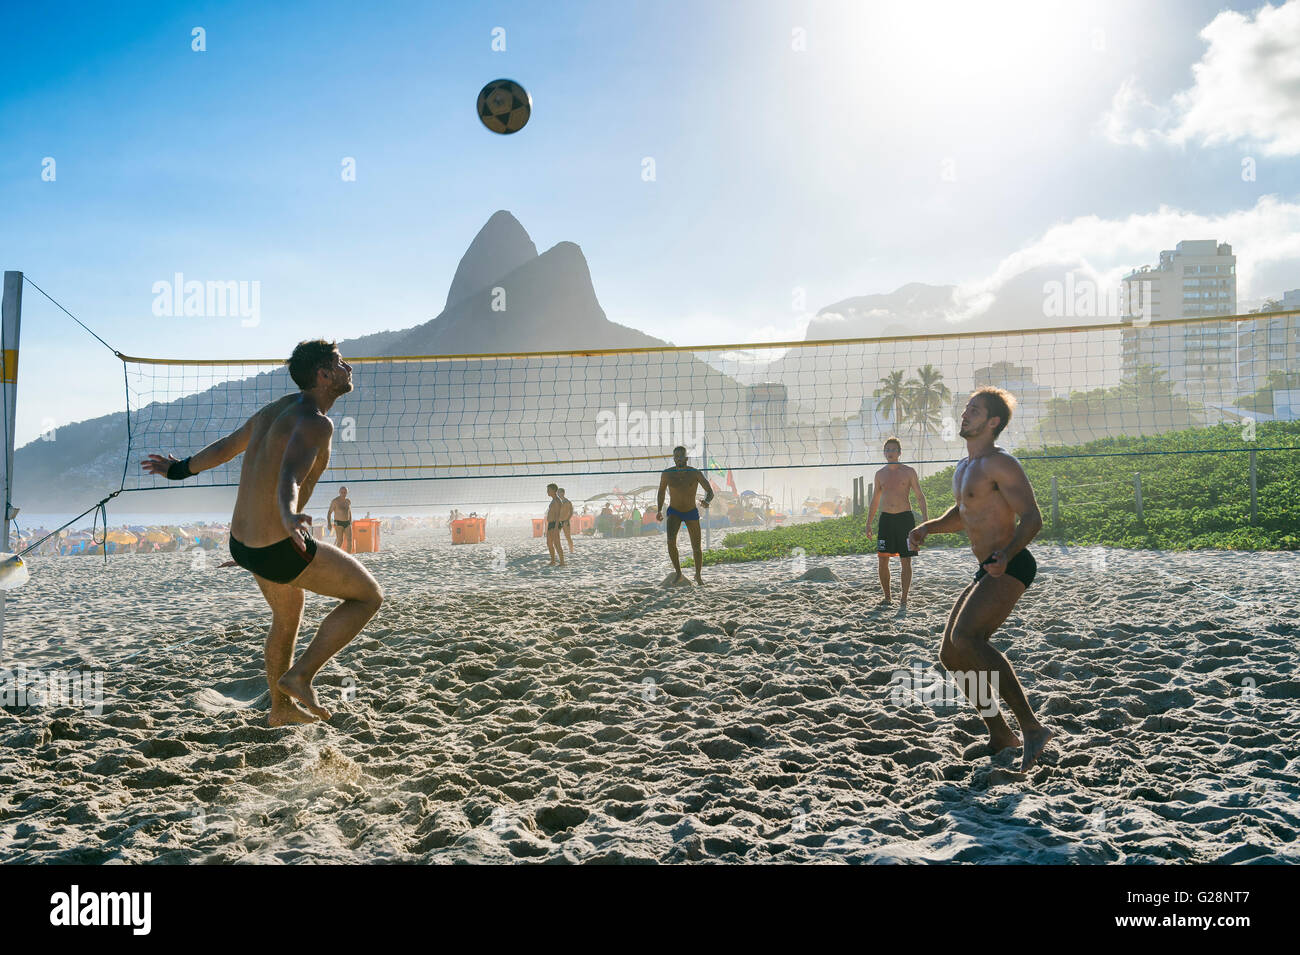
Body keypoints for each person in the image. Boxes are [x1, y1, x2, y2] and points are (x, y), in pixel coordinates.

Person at [141, 339, 383, 726]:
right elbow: (289, 474)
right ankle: (300, 676)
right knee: (369, 597)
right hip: (277, 544)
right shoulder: (317, 422)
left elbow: (226, 447)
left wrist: (179, 469)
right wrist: (288, 516)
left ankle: (280, 708)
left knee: (287, 618)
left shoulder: (277, 409)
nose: (348, 368)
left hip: (243, 544)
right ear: (323, 375)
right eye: (340, 363)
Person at [907, 387, 1055, 771]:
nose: (965, 414)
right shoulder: (965, 467)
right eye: (966, 408)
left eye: (975, 410)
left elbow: (1033, 518)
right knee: (951, 653)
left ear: (993, 422)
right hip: (988, 565)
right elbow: (963, 513)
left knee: (967, 639)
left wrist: (1007, 555)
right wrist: (928, 527)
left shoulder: (1000, 464)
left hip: (1012, 562)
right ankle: (999, 734)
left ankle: (1031, 728)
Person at [866, 437, 928, 608]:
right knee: (882, 559)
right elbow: (874, 501)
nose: (890, 453)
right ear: (884, 453)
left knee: (906, 560)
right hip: (886, 520)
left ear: (899, 453)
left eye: (893, 450)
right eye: (887, 450)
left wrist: (926, 520)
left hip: (904, 519)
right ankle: (887, 597)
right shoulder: (880, 474)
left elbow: (920, 496)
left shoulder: (909, 472)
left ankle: (904, 598)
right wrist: (868, 523)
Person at [655, 446, 714, 584]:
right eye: (676, 457)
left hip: (690, 511)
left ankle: (698, 575)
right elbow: (661, 492)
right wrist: (659, 510)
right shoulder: (667, 474)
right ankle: (678, 572)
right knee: (670, 541)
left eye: (681, 456)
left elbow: (710, 491)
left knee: (696, 547)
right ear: (674, 458)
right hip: (674, 511)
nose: (679, 459)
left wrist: (706, 501)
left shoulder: (695, 473)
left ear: (686, 458)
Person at [544, 483, 565, 566]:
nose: (547, 492)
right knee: (549, 543)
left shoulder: (556, 501)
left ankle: (562, 562)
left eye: (548, 490)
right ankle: (553, 561)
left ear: (553, 490)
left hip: (555, 524)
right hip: (551, 524)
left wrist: (556, 527)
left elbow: (558, 515)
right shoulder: (553, 500)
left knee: (557, 543)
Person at [327, 486, 353, 553]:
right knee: (340, 541)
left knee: (350, 540)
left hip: (347, 522)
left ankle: (348, 556)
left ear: (347, 493)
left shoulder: (348, 501)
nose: (343, 494)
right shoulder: (335, 501)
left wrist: (350, 521)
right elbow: (329, 513)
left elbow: (349, 511)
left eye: (345, 492)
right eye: (342, 492)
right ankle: (334, 554)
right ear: (339, 492)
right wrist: (329, 523)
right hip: (338, 522)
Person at [557, 487, 575, 554]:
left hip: (565, 521)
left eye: (560, 492)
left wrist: (567, 519)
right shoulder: (556, 501)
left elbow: (571, 512)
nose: (559, 494)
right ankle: (558, 550)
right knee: (556, 537)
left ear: (563, 493)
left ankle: (571, 550)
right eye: (558, 492)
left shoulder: (568, 502)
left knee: (568, 536)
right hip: (558, 521)